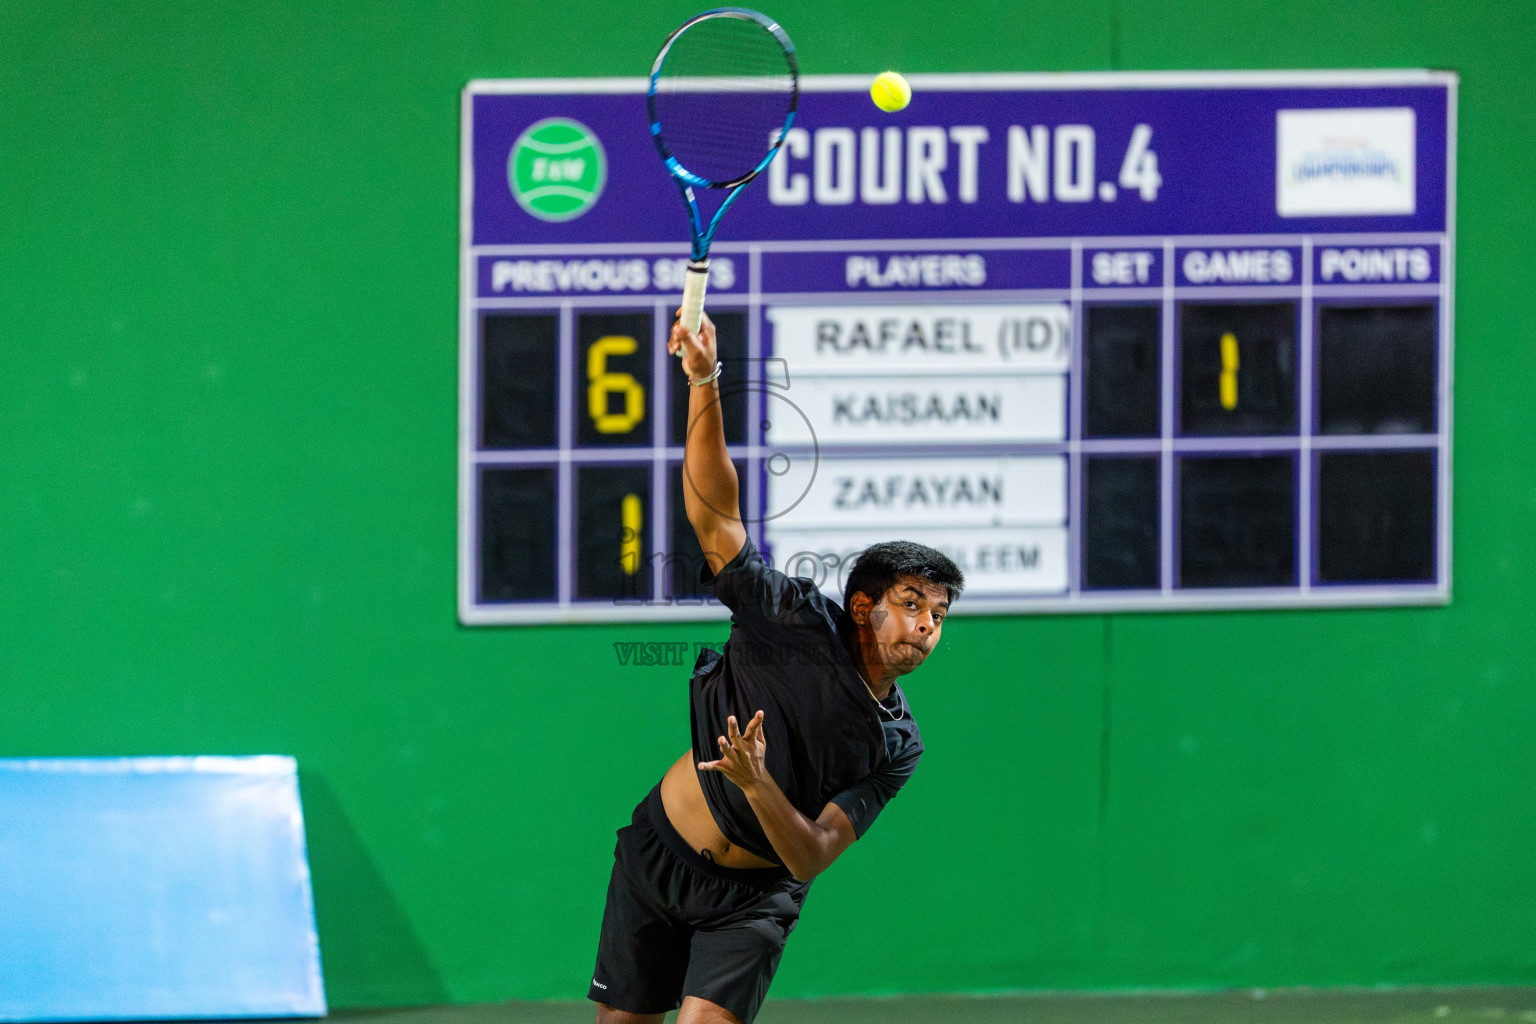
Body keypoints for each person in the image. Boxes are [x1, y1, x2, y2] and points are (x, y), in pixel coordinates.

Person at [588, 311, 965, 1024]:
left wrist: (756, 782)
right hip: (658, 854)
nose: (924, 625)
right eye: (911, 603)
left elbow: (813, 853)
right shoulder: (789, 618)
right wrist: (704, 378)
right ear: (861, 606)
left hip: (755, 898)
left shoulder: (896, 745)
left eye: (939, 616)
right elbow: (715, 516)